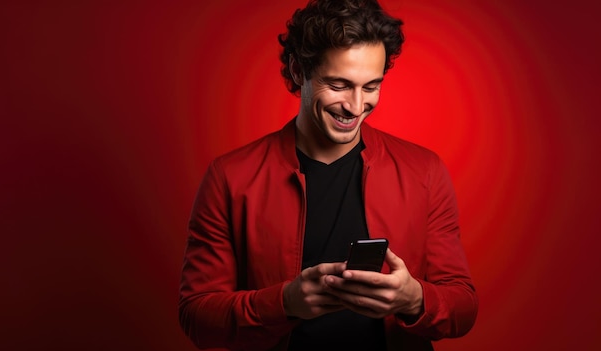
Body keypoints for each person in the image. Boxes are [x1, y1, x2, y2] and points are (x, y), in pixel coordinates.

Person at [178, 0, 478, 350]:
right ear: (297, 70)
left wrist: (415, 299)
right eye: (338, 85)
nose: (355, 105)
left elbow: (463, 307)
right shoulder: (230, 177)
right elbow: (197, 317)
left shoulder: (424, 170)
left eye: (371, 86)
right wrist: (285, 303)